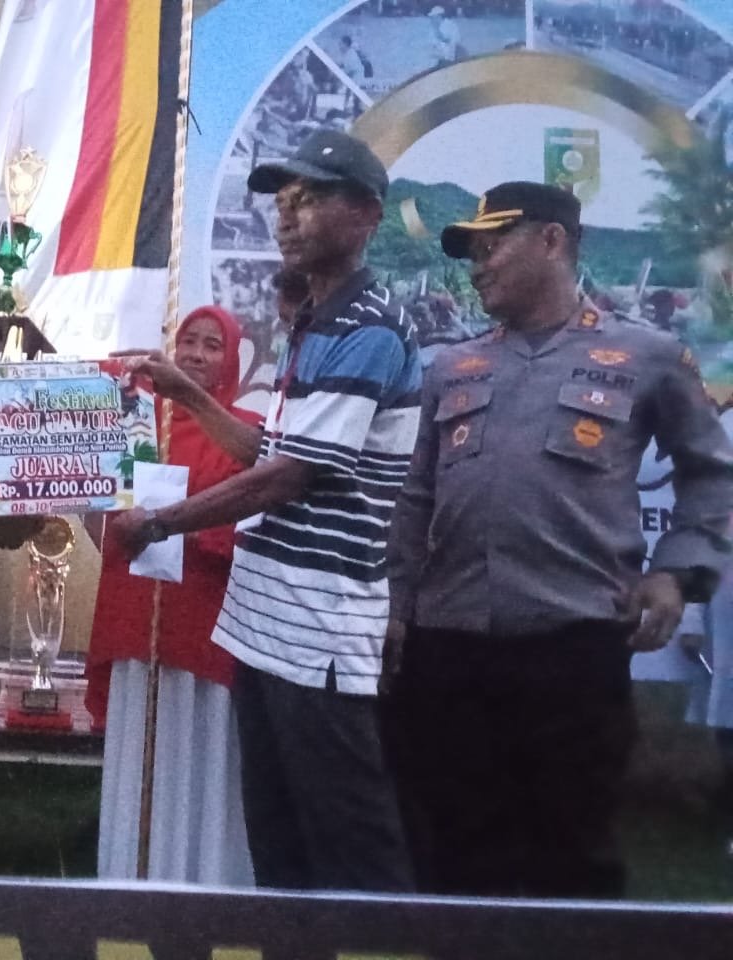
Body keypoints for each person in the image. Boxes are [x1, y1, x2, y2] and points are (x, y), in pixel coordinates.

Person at [386, 181, 733, 898]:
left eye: (492, 246)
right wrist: (395, 605)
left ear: (551, 240)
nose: (477, 266)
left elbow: (711, 474)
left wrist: (675, 573)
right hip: (448, 647)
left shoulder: (647, 355)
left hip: (574, 650)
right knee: (451, 856)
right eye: (472, 253)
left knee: (570, 860)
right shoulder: (451, 366)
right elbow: (417, 498)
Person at [115, 129, 419, 892]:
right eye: (283, 200)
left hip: (317, 627)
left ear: (367, 215)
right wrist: (189, 394)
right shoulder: (316, 321)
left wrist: (158, 524)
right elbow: (266, 451)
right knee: (279, 842)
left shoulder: (368, 327)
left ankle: (378, 948)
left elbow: (287, 478)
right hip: (266, 620)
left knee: (348, 845)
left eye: (309, 199)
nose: (286, 215)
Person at [86, 305, 260, 884]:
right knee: (140, 762)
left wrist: (178, 528)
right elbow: (101, 512)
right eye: (188, 341)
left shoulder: (245, 433)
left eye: (213, 345)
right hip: (139, 625)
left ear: (231, 360)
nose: (196, 354)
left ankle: (205, 892)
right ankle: (128, 890)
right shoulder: (132, 423)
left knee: (203, 765)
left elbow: (249, 521)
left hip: (204, 631)